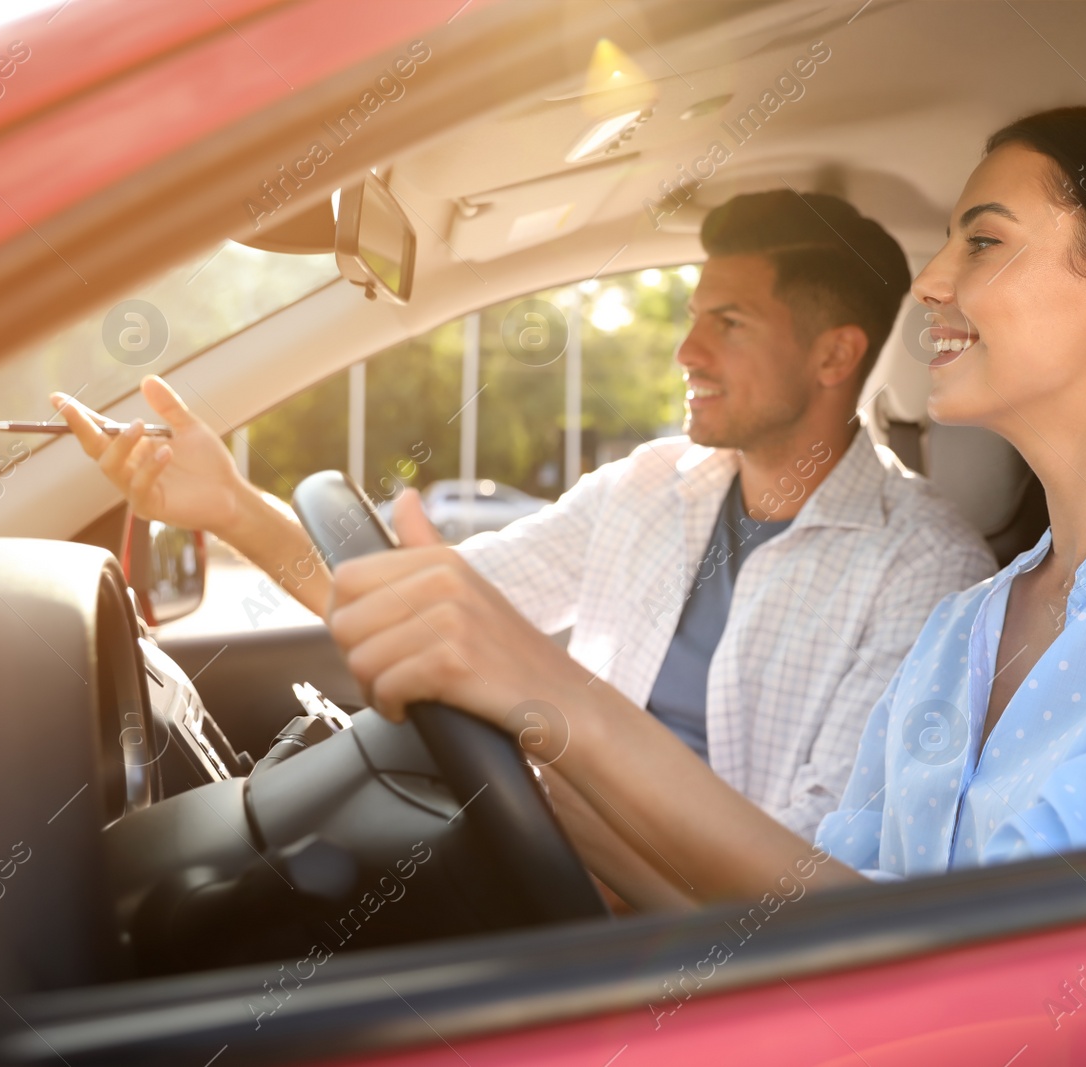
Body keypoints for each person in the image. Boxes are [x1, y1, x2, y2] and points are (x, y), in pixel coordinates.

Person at [323, 106, 1086, 907]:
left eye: (980, 240)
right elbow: (792, 913)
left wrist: (548, 688)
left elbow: (989, 978)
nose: (931, 281)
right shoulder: (969, 624)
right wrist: (528, 745)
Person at [52, 191, 998, 856]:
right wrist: (229, 507)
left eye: (731, 322)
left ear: (835, 356)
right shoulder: (649, 485)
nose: (686, 348)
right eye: (693, 314)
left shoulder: (923, 570)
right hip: (536, 849)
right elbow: (428, 603)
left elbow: (809, 869)